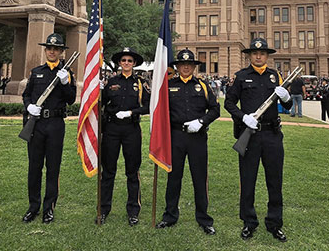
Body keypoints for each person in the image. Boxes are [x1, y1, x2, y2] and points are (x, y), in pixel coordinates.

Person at [224, 38, 292, 242]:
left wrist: (287, 98)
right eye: (255, 53)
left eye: (262, 54)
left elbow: (287, 107)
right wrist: (243, 116)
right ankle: (249, 222)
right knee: (248, 180)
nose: (259, 56)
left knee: (275, 180)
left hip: (272, 135)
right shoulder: (241, 76)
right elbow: (228, 102)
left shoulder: (275, 76)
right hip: (250, 136)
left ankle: (274, 223)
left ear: (267, 56)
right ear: (249, 56)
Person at [155, 49, 220, 235]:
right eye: (182, 64)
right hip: (175, 137)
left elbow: (215, 110)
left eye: (189, 64)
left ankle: (204, 219)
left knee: (200, 178)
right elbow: (160, 110)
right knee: (174, 177)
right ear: (177, 66)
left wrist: (201, 122)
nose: (185, 67)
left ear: (193, 67)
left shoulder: (203, 86)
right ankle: (170, 216)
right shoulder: (168, 85)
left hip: (197, 138)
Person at [22, 33, 76, 223]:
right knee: (34, 167)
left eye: (56, 49)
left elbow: (71, 99)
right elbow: (26, 95)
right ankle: (33, 207)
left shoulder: (67, 73)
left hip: (55, 124)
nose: (52, 51)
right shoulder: (36, 71)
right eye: (49, 48)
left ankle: (49, 208)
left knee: (53, 168)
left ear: (61, 52)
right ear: (46, 50)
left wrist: (64, 83)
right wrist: (29, 106)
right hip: (36, 125)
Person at [98, 47, 150, 226]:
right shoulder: (111, 81)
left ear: (134, 63)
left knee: (132, 172)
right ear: (119, 63)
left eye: (129, 61)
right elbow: (101, 103)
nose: (126, 63)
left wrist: (130, 112)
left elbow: (148, 106)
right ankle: (103, 210)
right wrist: (96, 91)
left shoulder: (141, 84)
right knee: (108, 171)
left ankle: (133, 211)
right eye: (123, 60)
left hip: (131, 129)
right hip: (112, 128)